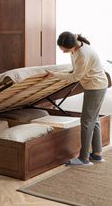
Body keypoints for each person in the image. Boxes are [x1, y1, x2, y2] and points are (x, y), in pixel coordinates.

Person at [46, 31, 108, 166]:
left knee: (86, 122)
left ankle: (83, 158)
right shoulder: (77, 46)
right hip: (96, 85)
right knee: (93, 119)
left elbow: (75, 77)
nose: (63, 52)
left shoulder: (82, 54)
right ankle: (97, 154)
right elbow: (76, 71)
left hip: (95, 87)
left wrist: (55, 75)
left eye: (65, 50)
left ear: (72, 46)